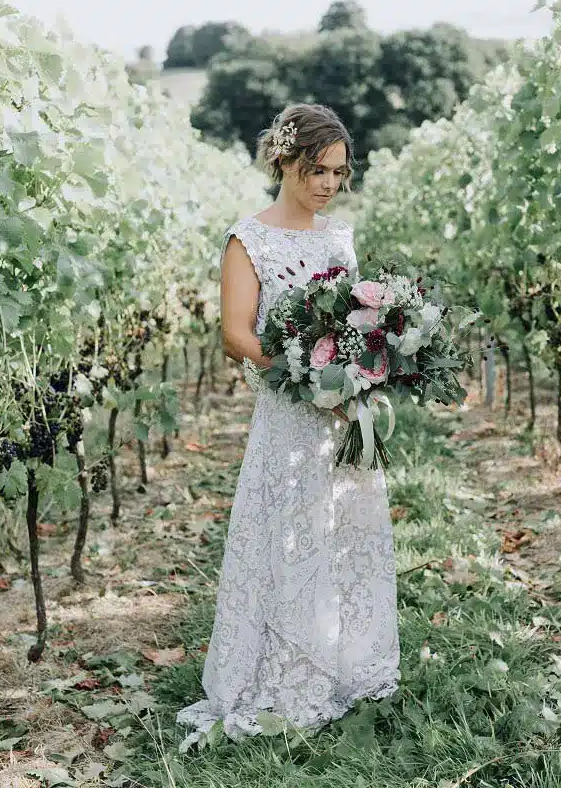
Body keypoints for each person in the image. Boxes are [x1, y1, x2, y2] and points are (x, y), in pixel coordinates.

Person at [176, 104, 399, 749]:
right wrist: (304, 373)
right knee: (288, 537)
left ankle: (345, 663)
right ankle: (282, 675)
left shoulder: (340, 237)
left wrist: (361, 372)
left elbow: (351, 322)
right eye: (314, 170)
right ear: (283, 162)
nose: (327, 183)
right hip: (288, 409)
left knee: (343, 531)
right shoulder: (250, 239)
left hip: (339, 415)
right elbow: (236, 332)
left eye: (336, 170)